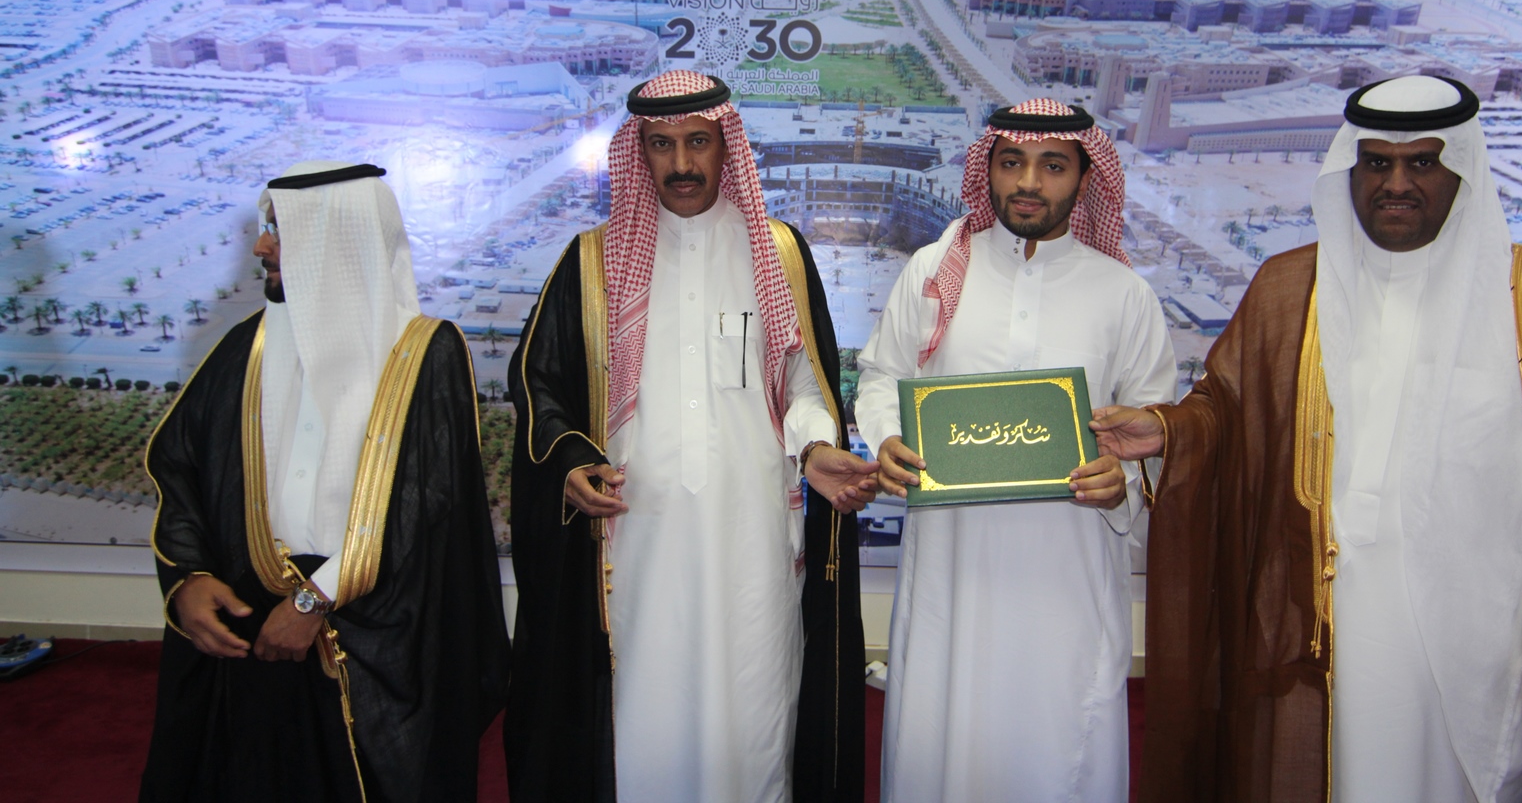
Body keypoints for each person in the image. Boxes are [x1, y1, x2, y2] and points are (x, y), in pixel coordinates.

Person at [1093, 75, 1522, 802]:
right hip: (1335, 636)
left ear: (1463, 170)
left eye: (1423, 162)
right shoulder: (1293, 290)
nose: (1396, 184)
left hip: (1490, 649)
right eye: (1377, 163)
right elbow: (1230, 414)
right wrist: (1166, 430)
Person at [504, 70, 876, 803]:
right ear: (638, 153)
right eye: (661, 145)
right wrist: (571, 461)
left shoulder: (777, 253)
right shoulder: (591, 262)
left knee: (756, 706)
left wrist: (814, 448)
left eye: (698, 142)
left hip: (753, 536)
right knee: (645, 710)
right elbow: (540, 387)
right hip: (638, 538)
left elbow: (805, 382)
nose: (681, 163)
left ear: (725, 144)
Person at [141, 161, 510, 803]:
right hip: (252, 623)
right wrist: (189, 578)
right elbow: (182, 468)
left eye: (281, 231)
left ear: (335, 239)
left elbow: (424, 507)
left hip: (375, 629)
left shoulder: (425, 353)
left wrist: (312, 604)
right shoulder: (244, 349)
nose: (262, 247)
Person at [857, 98, 1176, 803]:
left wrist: (1122, 476)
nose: (1028, 182)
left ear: (1084, 179)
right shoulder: (936, 270)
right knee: (944, 731)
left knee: (1058, 740)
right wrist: (887, 436)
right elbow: (882, 375)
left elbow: (1155, 425)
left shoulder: (1123, 294)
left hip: (1066, 569)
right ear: (989, 170)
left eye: (1052, 165)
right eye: (1012, 162)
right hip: (952, 563)